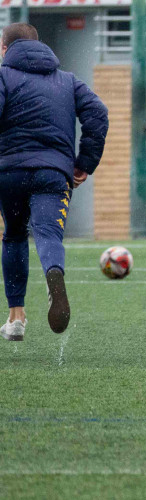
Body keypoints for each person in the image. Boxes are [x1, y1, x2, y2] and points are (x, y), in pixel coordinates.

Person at [0, 23, 108, 343]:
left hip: (10, 173)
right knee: (48, 234)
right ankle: (54, 275)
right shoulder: (68, 80)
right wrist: (84, 162)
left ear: (5, 49)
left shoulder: (4, 76)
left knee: (15, 235)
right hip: (53, 172)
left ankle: (16, 317)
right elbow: (98, 114)